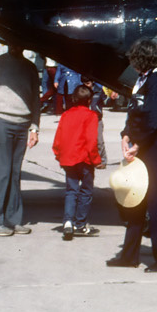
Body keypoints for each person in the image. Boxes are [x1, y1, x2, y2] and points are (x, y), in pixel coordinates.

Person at [109, 39, 157, 272]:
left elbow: (153, 119)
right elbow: (136, 112)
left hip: (156, 151)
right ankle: (129, 255)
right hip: (143, 148)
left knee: (156, 202)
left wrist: (137, 143)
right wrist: (126, 134)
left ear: (142, 59)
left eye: (133, 59)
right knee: (135, 202)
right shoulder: (144, 80)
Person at [0, 45, 41, 236]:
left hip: (23, 124)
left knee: (15, 173)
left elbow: (35, 100)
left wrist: (34, 127)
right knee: (3, 172)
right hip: (3, 123)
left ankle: (13, 220)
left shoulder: (29, 67)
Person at [53, 84, 102, 240]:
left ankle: (68, 221)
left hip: (68, 159)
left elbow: (58, 139)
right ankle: (80, 224)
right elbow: (91, 141)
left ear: (73, 99)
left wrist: (59, 154)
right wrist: (96, 159)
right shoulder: (91, 116)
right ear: (89, 100)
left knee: (71, 190)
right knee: (86, 192)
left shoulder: (66, 115)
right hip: (85, 160)